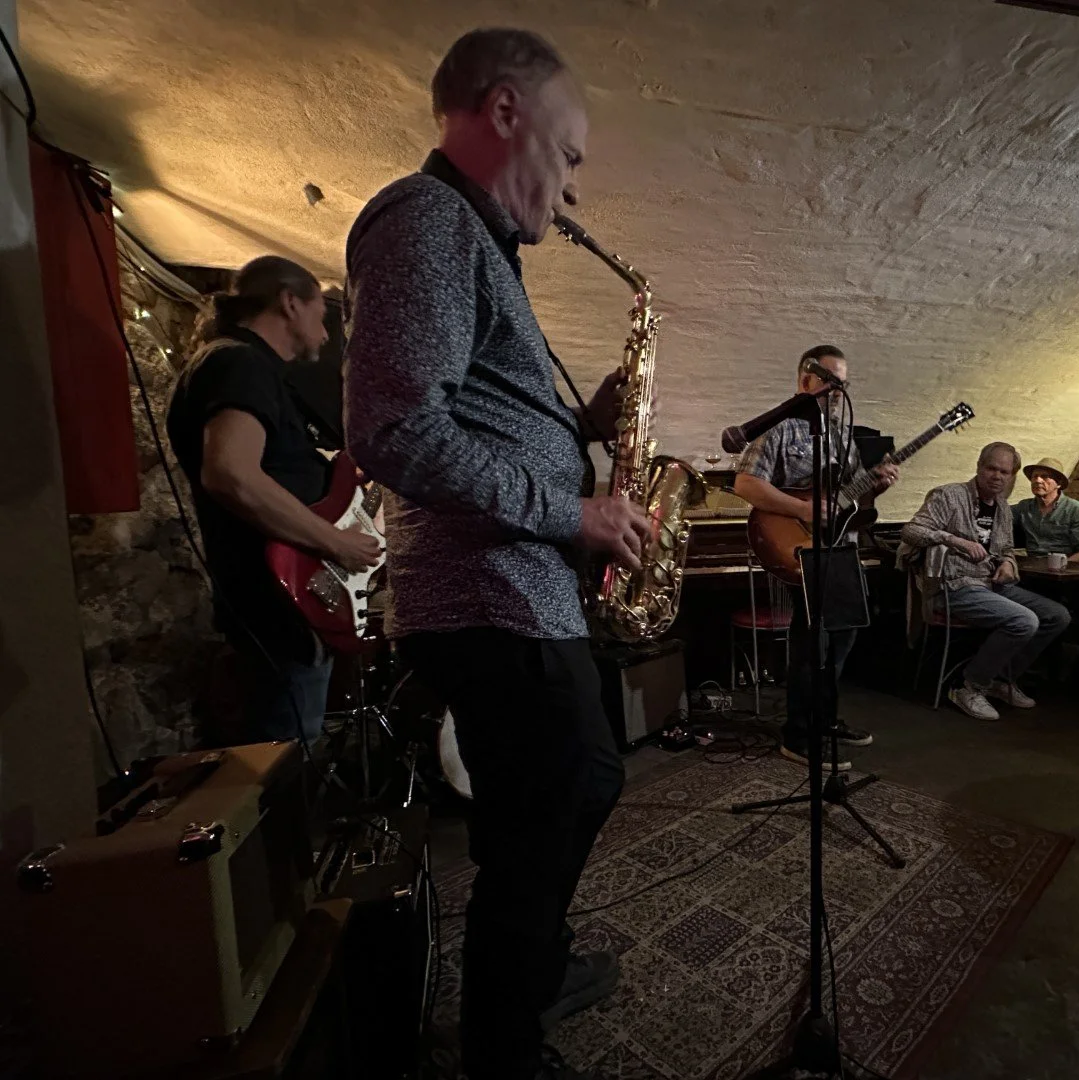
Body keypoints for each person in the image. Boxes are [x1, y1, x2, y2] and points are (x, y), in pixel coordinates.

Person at [342, 29, 644, 1080]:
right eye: (569, 155)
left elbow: (468, 413)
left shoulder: (471, 238)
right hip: (488, 594)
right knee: (554, 805)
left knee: (570, 789)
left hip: (512, 591)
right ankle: (503, 1044)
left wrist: (580, 426)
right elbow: (394, 430)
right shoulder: (427, 218)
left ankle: (532, 969)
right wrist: (573, 516)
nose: (572, 188)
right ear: (505, 110)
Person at [165, 256, 382, 743]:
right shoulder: (238, 362)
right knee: (286, 759)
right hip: (276, 600)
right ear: (289, 303)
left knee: (290, 749)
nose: (326, 334)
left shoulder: (238, 365)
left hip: (285, 597)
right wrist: (337, 543)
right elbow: (231, 473)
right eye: (321, 316)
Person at [733, 345, 900, 770]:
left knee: (843, 632)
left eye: (844, 384)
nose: (839, 391)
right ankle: (799, 735)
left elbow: (850, 498)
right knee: (813, 641)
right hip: (794, 543)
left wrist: (877, 484)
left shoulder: (841, 434)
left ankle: (824, 720)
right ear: (806, 380)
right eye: (832, 382)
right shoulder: (780, 427)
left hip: (837, 545)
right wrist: (802, 509)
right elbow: (746, 485)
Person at [899, 442, 1071, 720]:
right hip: (953, 585)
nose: (997, 476)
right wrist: (954, 540)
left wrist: (1008, 563)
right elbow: (912, 531)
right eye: (992, 468)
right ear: (979, 467)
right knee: (1024, 621)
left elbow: (1006, 549)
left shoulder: (1003, 507)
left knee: (1057, 615)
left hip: (991, 585)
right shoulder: (949, 495)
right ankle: (968, 686)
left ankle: (999, 679)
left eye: (1004, 472)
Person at [1011, 456, 1079, 562]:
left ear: (1058, 483)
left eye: (1045, 477)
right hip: (1031, 565)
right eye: (1034, 476)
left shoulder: (1076, 510)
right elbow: (1000, 513)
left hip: (1064, 566)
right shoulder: (1024, 507)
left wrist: (1062, 565)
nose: (1037, 480)